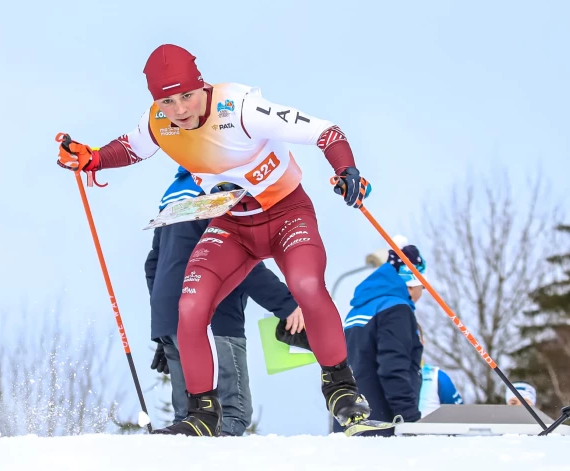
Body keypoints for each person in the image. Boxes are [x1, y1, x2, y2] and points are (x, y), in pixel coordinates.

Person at [56, 43, 373, 436]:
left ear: (201, 86)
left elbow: (326, 132)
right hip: (232, 226)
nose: (180, 109)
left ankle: (340, 386)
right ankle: (202, 412)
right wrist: (93, 158)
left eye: (186, 95)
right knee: (188, 307)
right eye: (168, 100)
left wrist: (347, 170)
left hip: (286, 213)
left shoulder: (239, 107)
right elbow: (130, 147)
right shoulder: (158, 120)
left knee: (307, 286)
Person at [146, 165, 304, 436]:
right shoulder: (221, 189)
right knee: (231, 413)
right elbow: (242, 258)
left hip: (172, 318)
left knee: (189, 415)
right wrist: (288, 305)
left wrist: (166, 332)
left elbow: (154, 266)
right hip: (215, 317)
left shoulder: (172, 197)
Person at [334, 244, 426, 434]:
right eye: (422, 285)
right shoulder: (396, 309)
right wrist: (410, 420)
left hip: (348, 423)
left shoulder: (356, 311)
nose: (422, 291)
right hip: (381, 427)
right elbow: (392, 367)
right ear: (411, 282)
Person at [416, 323, 464, 418]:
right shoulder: (383, 376)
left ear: (422, 342)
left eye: (415, 339)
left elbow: (461, 419)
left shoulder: (436, 377)